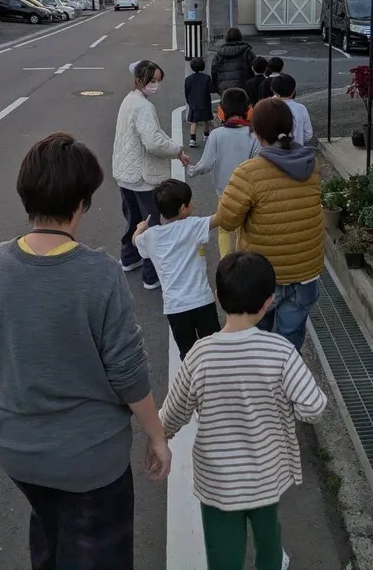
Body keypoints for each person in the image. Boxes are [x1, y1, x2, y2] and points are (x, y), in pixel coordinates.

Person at [0, 133, 171, 570]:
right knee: (94, 547)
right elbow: (129, 375)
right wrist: (156, 435)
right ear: (81, 203)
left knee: (49, 526)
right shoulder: (101, 275)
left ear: (26, 196)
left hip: (14, 447)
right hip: (89, 458)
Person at [160, 251, 327, 570]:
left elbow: (174, 412)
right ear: (268, 302)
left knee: (223, 547)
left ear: (218, 297)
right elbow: (314, 406)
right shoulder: (281, 353)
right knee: (269, 538)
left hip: (218, 479)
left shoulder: (200, 355)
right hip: (266, 473)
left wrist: (162, 435)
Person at [216, 98, 323, 350]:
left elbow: (227, 221)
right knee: (290, 343)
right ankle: (284, 383)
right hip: (305, 273)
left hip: (262, 276)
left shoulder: (248, 173)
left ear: (256, 134)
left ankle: (261, 385)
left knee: (257, 340)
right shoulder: (311, 165)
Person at [113, 60, 191, 289]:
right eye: (151, 80)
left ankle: (129, 258)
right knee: (152, 224)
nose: (155, 85)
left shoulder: (130, 100)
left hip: (126, 173)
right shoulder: (144, 107)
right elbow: (153, 142)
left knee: (133, 219)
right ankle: (151, 274)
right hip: (144, 176)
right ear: (139, 80)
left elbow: (154, 134)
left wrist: (175, 148)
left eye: (158, 80)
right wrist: (177, 151)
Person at [133, 178, 220, 360]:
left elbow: (135, 240)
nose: (193, 204)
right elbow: (220, 218)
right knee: (214, 351)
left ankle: (193, 383)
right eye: (191, 201)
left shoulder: (151, 236)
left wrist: (140, 228)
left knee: (188, 354)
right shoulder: (194, 225)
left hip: (175, 308)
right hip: (202, 302)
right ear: (182, 208)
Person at [188, 88, 259, 258]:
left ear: (221, 111)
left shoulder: (216, 135)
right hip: (247, 191)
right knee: (244, 227)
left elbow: (205, 164)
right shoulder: (254, 136)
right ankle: (244, 263)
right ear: (249, 111)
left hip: (224, 191)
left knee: (224, 227)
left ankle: (226, 263)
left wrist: (192, 170)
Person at [272, 74, 313, 147]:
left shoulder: (268, 107)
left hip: (274, 153)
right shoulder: (301, 108)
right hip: (297, 152)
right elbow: (308, 135)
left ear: (274, 91)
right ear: (293, 91)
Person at [210, 27, 255, 93]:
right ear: (240, 36)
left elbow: (214, 71)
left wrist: (216, 87)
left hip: (224, 89)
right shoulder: (247, 51)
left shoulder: (219, 54)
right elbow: (256, 66)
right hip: (244, 88)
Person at [184, 56, 214, 149]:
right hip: (204, 101)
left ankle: (192, 139)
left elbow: (187, 91)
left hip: (194, 103)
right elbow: (211, 89)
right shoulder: (206, 78)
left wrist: (189, 101)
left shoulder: (188, 79)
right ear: (203, 66)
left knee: (194, 121)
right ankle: (206, 136)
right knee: (206, 119)